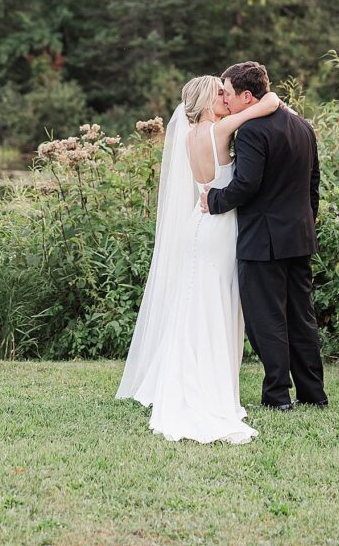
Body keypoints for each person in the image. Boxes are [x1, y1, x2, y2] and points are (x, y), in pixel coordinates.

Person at [116, 74, 282, 443]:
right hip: (220, 228)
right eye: (220, 94)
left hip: (199, 222)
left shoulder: (191, 136)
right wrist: (272, 100)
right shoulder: (219, 130)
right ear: (208, 102)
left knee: (196, 304)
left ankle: (193, 378)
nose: (225, 97)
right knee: (216, 306)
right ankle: (209, 389)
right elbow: (266, 105)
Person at [201, 60, 327, 411]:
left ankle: (277, 396)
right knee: (301, 317)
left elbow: (246, 184)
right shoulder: (303, 126)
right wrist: (306, 220)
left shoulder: (253, 131)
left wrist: (214, 200)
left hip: (263, 240)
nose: (224, 98)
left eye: (227, 92)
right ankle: (313, 394)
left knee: (266, 318)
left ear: (246, 95)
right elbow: (313, 184)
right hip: (299, 236)